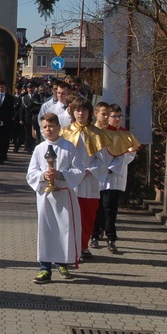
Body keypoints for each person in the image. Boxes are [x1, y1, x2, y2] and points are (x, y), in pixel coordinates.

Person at [27, 112, 84, 284]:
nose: (48, 129)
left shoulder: (68, 147)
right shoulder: (39, 149)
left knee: (63, 230)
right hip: (45, 196)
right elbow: (31, 173)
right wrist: (44, 176)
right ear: (41, 130)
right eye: (45, 127)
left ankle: (62, 263)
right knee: (46, 230)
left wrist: (60, 174)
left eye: (51, 126)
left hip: (64, 194)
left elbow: (79, 170)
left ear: (59, 127)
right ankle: (44, 268)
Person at [60, 97, 113, 260]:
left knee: (88, 215)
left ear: (90, 113)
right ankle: (70, 247)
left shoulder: (97, 134)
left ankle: (82, 246)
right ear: (72, 112)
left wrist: (90, 171)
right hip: (71, 180)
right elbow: (61, 157)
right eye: (77, 110)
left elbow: (104, 159)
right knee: (70, 216)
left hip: (89, 181)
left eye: (83, 110)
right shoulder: (65, 132)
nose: (80, 113)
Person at [93, 104, 141, 253]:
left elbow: (130, 154)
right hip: (98, 175)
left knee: (110, 207)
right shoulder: (98, 132)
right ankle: (94, 235)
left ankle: (111, 237)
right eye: (114, 116)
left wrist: (113, 167)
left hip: (114, 176)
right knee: (97, 207)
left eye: (120, 116)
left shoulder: (125, 134)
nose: (117, 119)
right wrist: (100, 167)